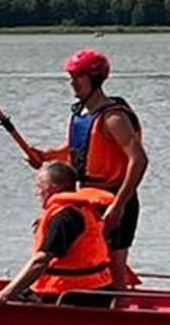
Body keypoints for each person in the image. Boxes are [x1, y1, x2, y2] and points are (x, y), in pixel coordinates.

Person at [28, 49, 147, 286]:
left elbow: (139, 160)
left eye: (78, 78)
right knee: (86, 256)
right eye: (71, 78)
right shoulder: (80, 113)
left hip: (114, 197)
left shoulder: (113, 117)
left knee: (115, 265)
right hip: (87, 197)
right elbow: (75, 149)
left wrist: (118, 205)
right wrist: (46, 156)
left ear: (94, 79)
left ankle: (122, 309)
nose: (72, 84)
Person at [0, 162, 117, 310]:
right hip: (97, 288)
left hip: (73, 295)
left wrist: (4, 294)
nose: (37, 192)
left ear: (54, 188)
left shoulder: (65, 217)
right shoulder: (84, 209)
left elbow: (41, 260)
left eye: (40, 186)